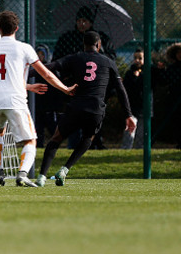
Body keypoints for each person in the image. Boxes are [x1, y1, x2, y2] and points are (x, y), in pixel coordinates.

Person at [0, 11, 76, 187]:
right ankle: (22, 174)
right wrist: (65, 88)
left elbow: (1, 80)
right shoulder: (24, 48)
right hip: (14, 100)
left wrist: (27, 86)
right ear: (17, 28)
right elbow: (47, 74)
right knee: (30, 140)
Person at [36, 31, 136, 187]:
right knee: (89, 138)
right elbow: (120, 89)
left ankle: (41, 176)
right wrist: (128, 114)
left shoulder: (75, 58)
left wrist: (28, 71)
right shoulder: (108, 61)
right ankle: (64, 170)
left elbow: (51, 67)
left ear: (84, 44)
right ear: (99, 45)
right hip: (96, 109)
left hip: (76, 106)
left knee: (56, 138)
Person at [53, 5, 115, 150]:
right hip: (74, 84)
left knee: (95, 115)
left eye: (85, 21)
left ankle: (95, 142)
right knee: (74, 115)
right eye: (79, 20)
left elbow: (111, 60)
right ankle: (74, 143)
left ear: (91, 23)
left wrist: (101, 51)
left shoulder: (102, 39)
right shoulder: (68, 38)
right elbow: (59, 60)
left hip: (95, 85)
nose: (81, 24)